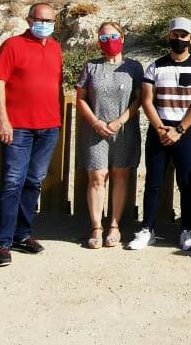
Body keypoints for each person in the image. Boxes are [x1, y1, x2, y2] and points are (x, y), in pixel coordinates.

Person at [127, 17, 191, 252]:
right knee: (153, 182)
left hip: (185, 131)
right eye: (175, 34)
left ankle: (187, 230)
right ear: (169, 36)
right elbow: (146, 100)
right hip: (159, 130)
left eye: (183, 35)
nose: (179, 39)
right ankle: (147, 229)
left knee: (186, 183)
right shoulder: (155, 66)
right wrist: (161, 128)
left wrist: (180, 129)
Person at [0, 2, 63, 268]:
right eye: (41, 19)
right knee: (11, 182)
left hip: (48, 127)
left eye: (51, 20)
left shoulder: (55, 48)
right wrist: (3, 121)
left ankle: (22, 234)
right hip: (17, 127)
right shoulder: (12, 46)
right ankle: (2, 243)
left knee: (34, 182)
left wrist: (58, 122)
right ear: (29, 19)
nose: (46, 24)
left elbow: (56, 85)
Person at [75, 21, 143, 248]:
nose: (109, 42)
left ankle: (114, 225)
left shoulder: (134, 67)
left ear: (122, 38)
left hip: (123, 130)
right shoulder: (91, 66)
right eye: (103, 38)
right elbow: (81, 98)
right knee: (97, 177)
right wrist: (95, 122)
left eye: (113, 37)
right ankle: (96, 227)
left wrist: (120, 121)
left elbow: (139, 99)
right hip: (95, 131)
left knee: (120, 175)